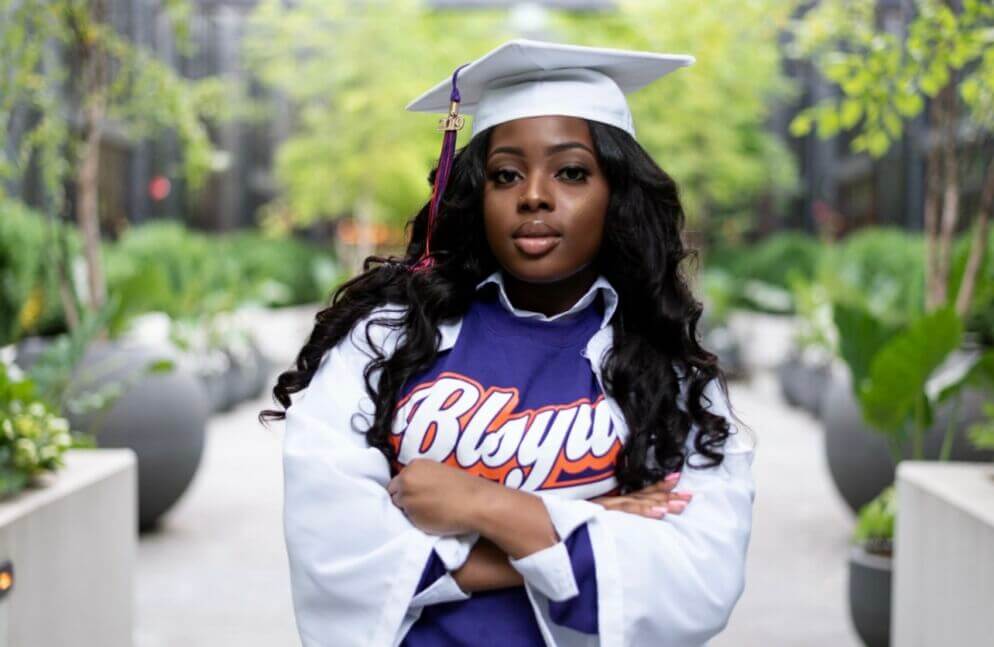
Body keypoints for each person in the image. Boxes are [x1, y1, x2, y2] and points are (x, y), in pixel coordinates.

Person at [262, 39, 756, 647]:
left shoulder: (669, 374)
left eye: (571, 172)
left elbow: (694, 580)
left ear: (616, 194)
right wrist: (587, 523)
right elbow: (336, 547)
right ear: (478, 193)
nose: (534, 196)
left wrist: (482, 505)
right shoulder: (387, 341)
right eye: (506, 174)